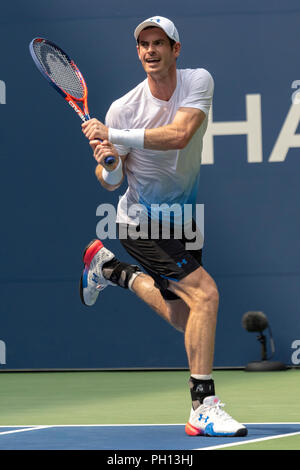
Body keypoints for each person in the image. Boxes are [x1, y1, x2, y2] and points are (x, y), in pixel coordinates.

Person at [80, 16, 247, 437]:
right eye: (143, 45)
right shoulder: (124, 106)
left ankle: (111, 270)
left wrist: (115, 135)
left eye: (159, 43)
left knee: (185, 315)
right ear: (138, 53)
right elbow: (111, 182)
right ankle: (203, 406)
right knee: (206, 295)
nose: (150, 51)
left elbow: (179, 135)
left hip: (184, 218)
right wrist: (111, 164)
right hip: (138, 221)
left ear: (176, 50)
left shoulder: (197, 82)